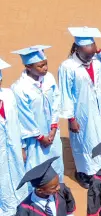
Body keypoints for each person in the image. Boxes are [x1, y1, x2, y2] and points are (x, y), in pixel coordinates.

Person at [59, 27, 101, 188]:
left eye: (93, 50)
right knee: (84, 143)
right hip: (81, 114)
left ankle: (100, 169)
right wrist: (71, 119)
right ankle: (85, 173)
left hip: (100, 110)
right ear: (78, 48)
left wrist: (98, 51)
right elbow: (65, 94)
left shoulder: (99, 61)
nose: (91, 54)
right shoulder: (68, 67)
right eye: (88, 51)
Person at [11, 46, 63, 180]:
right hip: (34, 139)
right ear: (28, 67)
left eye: (46, 64)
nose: (45, 68)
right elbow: (24, 116)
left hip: (52, 134)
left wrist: (53, 127)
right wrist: (40, 136)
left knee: (56, 164)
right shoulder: (20, 88)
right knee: (37, 167)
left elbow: (56, 101)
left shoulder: (49, 78)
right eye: (40, 66)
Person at [0, 57, 27, 216]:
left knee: (18, 175)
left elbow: (18, 121)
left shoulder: (9, 94)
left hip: (14, 147)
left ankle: (20, 207)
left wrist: (23, 146)